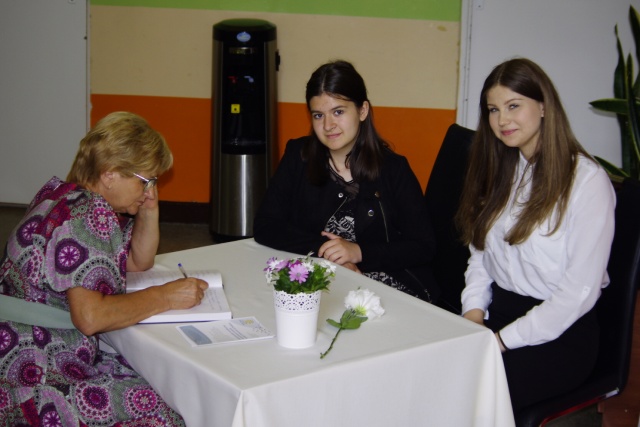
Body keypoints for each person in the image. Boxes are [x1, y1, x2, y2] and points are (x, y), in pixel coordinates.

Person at [0, 112, 208, 426]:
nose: (150, 190)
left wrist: (148, 207)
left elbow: (136, 262)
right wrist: (165, 296)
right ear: (110, 174)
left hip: (18, 357)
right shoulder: (88, 213)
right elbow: (90, 318)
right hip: (33, 379)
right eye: (145, 181)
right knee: (171, 407)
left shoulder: (63, 196)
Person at [455, 58, 616, 411]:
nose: (502, 120)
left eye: (514, 106)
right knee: (434, 374)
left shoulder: (587, 182)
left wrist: (500, 342)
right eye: (493, 110)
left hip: (560, 333)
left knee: (471, 395)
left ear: (543, 106)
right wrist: (473, 315)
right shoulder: (500, 168)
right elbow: (481, 255)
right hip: (498, 313)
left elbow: (577, 294)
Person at [253, 60, 438, 302]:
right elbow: (266, 225)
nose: (328, 125)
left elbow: (424, 246)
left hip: (385, 282)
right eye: (318, 115)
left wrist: (358, 252)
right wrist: (330, 252)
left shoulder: (394, 168)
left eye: (338, 112)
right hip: (320, 276)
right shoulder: (298, 155)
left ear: (362, 111)